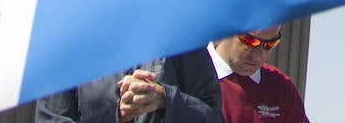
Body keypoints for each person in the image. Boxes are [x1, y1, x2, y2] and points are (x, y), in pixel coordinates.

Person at [36, 49, 222, 123]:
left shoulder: (180, 36)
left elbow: (213, 117)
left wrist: (166, 98)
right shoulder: (69, 48)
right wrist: (116, 115)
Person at [208, 26, 310, 123]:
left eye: (270, 44)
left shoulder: (281, 88)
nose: (258, 56)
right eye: (250, 41)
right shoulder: (194, 79)